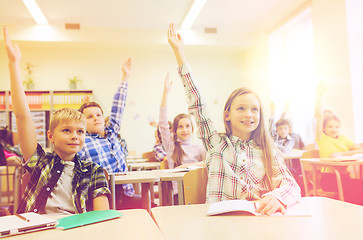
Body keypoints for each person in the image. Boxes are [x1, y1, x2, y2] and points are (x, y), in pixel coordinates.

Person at [167, 23, 301, 215]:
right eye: (241, 108)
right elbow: (197, 103)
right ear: (227, 115)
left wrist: (276, 197)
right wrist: (180, 53)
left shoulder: (266, 150)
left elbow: (291, 184)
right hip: (220, 224)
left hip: (257, 223)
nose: (249, 114)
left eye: (254, 109)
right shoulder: (216, 143)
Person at [3, 26, 110, 214]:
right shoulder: (40, 162)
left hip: (75, 231)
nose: (74, 136)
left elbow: (102, 216)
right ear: (50, 136)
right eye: (66, 130)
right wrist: (13, 64)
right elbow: (22, 116)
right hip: (37, 230)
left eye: (80, 131)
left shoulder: (94, 171)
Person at [78, 59, 144, 210]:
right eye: (90, 117)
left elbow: (117, 108)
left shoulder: (112, 133)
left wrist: (125, 78)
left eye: (99, 115)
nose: (96, 118)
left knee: (152, 209)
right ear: (82, 122)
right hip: (100, 200)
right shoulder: (82, 141)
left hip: (125, 195)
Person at [315, 81, 363, 205]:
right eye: (330, 126)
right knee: (355, 191)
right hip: (329, 179)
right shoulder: (322, 138)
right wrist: (319, 96)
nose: (334, 129)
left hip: (345, 176)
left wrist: (341, 153)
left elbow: (360, 150)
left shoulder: (343, 138)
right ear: (324, 128)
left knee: (360, 186)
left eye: (337, 126)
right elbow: (319, 116)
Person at [158, 73, 205, 170]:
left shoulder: (199, 147)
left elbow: (209, 163)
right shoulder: (171, 146)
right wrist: (165, 92)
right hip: (178, 185)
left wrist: (186, 166)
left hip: (196, 185)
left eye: (187, 126)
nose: (185, 130)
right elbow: (162, 123)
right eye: (180, 127)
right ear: (174, 131)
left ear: (192, 128)